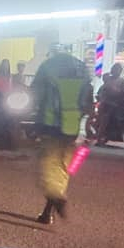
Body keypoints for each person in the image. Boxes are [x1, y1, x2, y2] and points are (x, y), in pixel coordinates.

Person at [31, 44, 88, 224]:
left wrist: (33, 121)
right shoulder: (82, 68)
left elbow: (35, 94)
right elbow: (88, 98)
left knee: (46, 168)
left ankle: (57, 198)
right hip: (72, 126)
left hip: (50, 123)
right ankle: (48, 212)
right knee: (63, 169)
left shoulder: (48, 66)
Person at [95, 62, 124, 146]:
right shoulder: (108, 79)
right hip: (108, 102)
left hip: (120, 102)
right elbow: (105, 89)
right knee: (105, 119)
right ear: (113, 70)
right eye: (117, 69)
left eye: (120, 70)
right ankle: (99, 139)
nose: (118, 71)